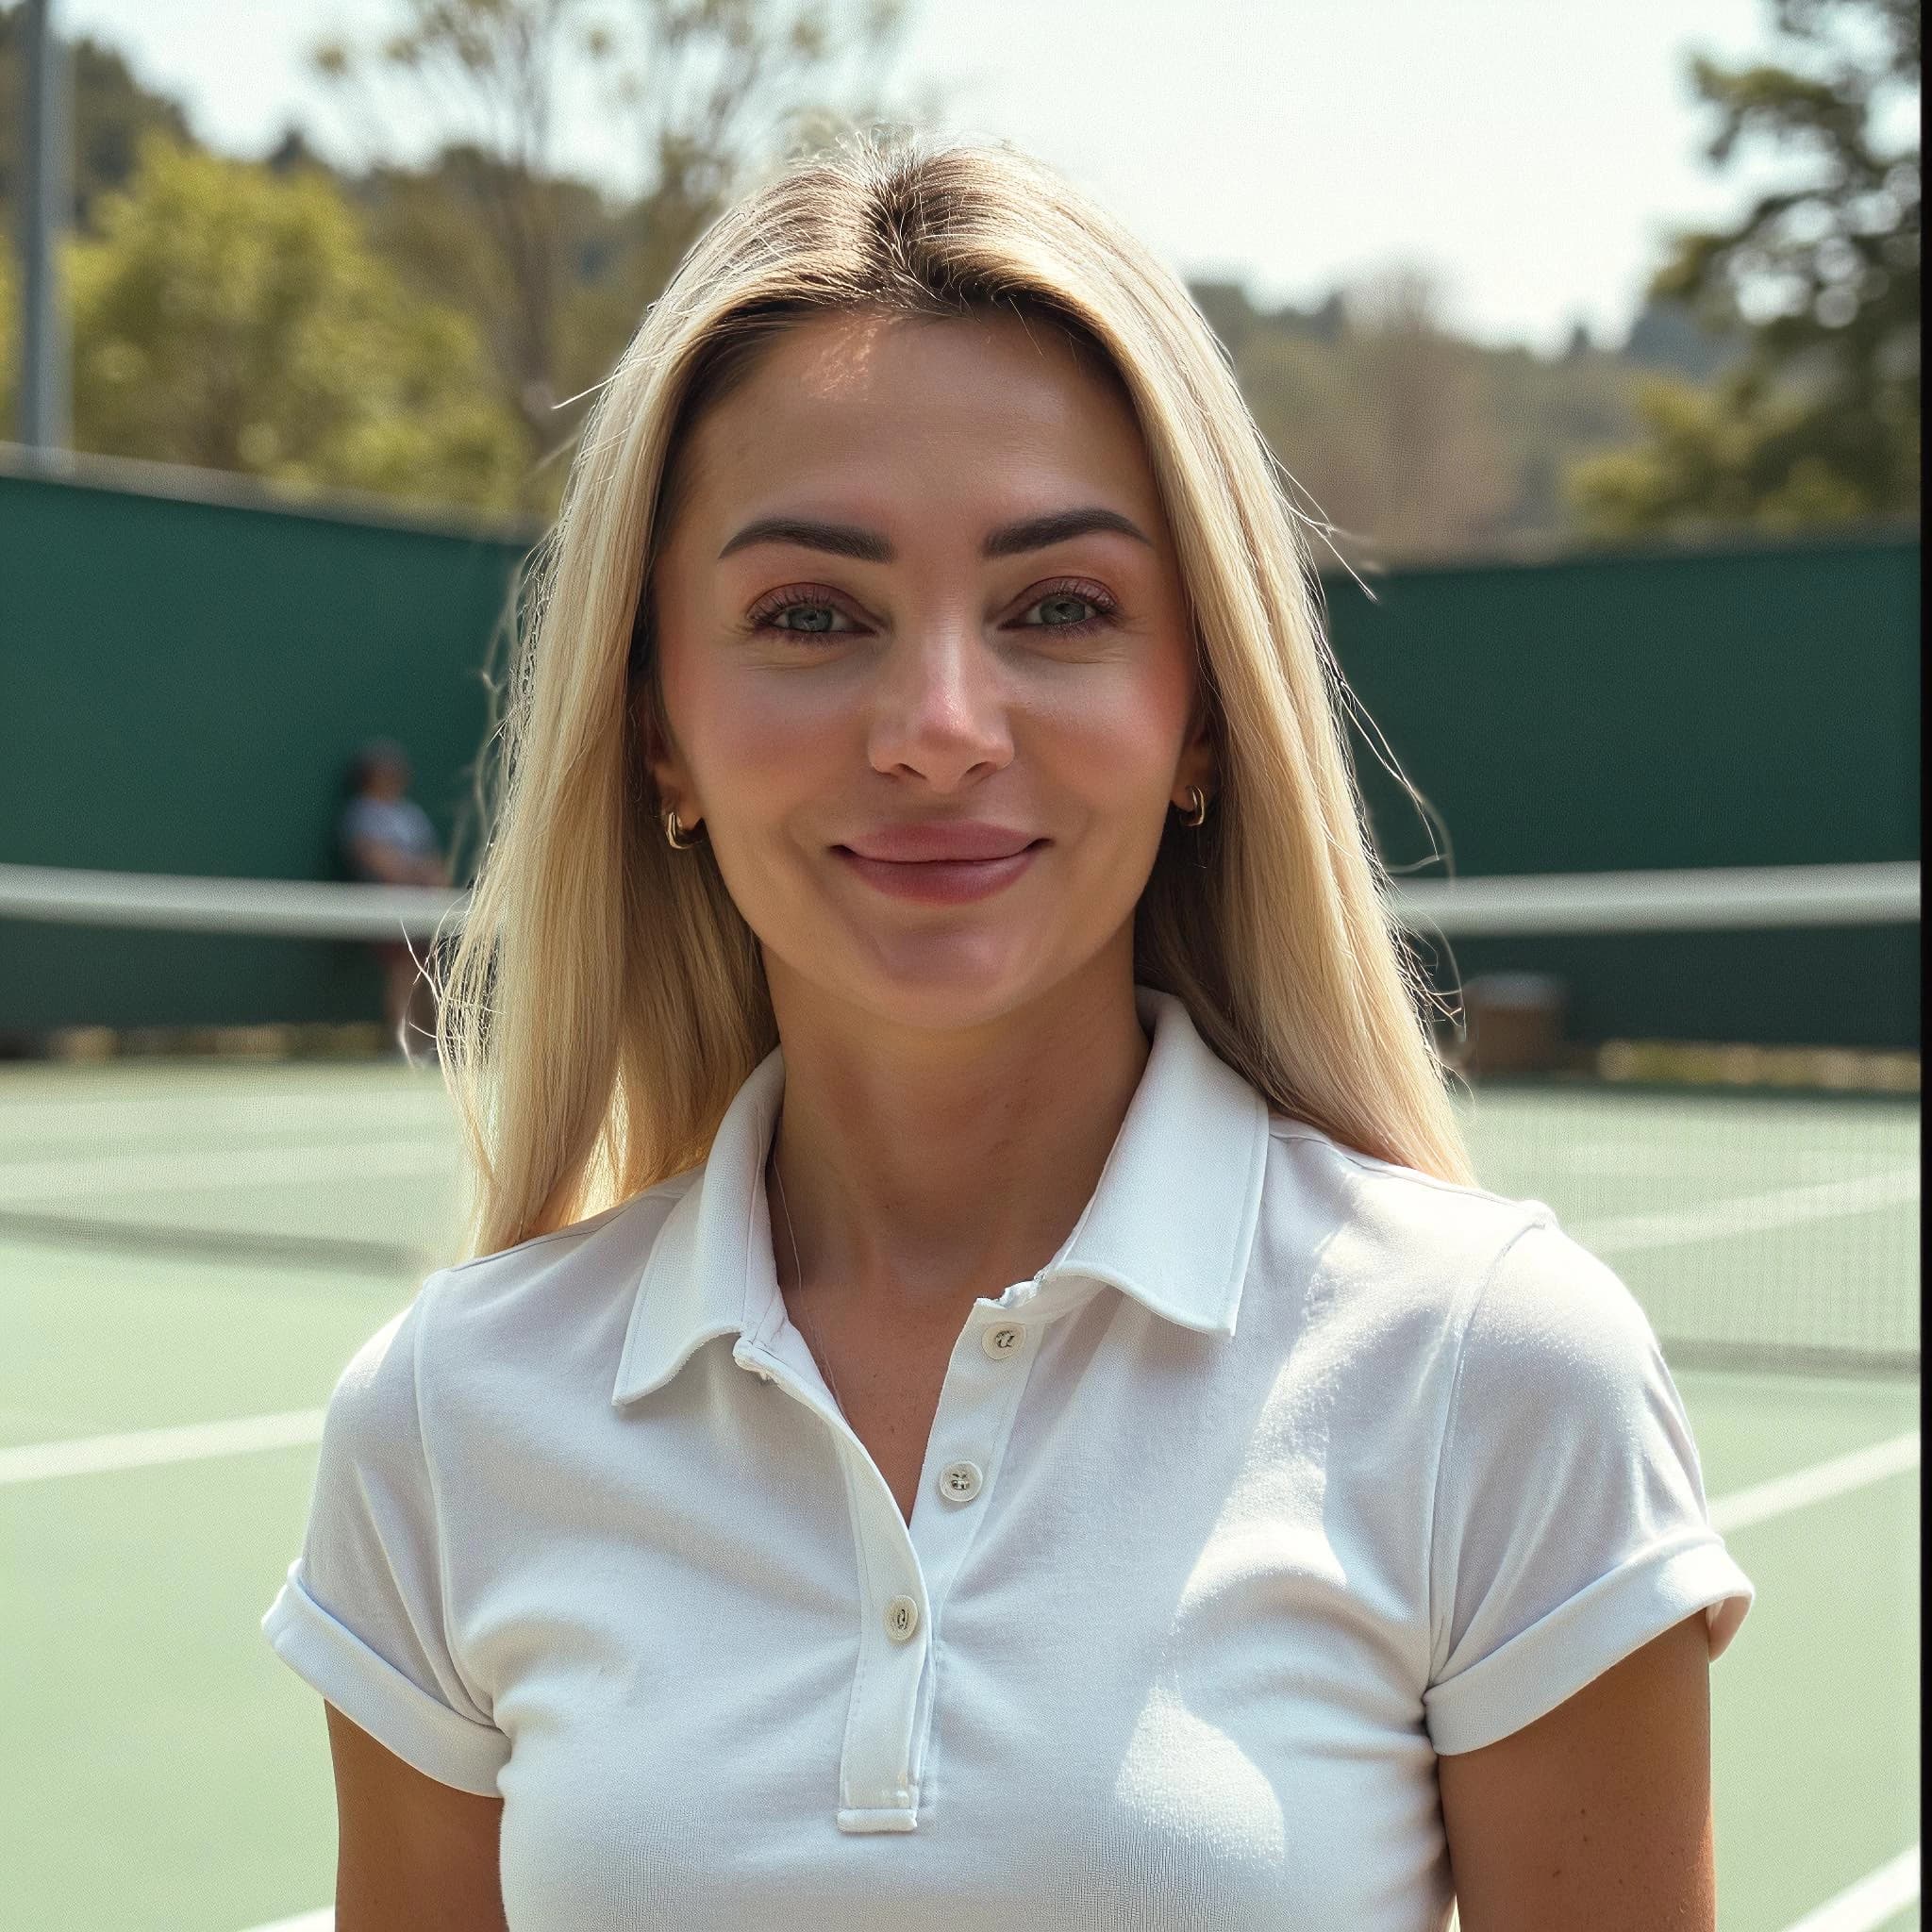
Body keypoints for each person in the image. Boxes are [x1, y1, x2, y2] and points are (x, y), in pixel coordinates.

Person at [264, 131, 1754, 1930]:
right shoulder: (448, 1414)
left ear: (1198, 711)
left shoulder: (1491, 1372)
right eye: (810, 614)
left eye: (1059, 607)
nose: (938, 723)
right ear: (656, 725)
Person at [336, 740, 449, 1055]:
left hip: (422, 907)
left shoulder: (410, 814)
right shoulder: (362, 812)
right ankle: (404, 1045)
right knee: (403, 969)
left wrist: (432, 886)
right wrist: (412, 875)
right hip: (385, 907)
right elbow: (374, 858)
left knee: (426, 967)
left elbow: (433, 864)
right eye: (384, 771)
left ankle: (428, 1043)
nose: (392, 776)